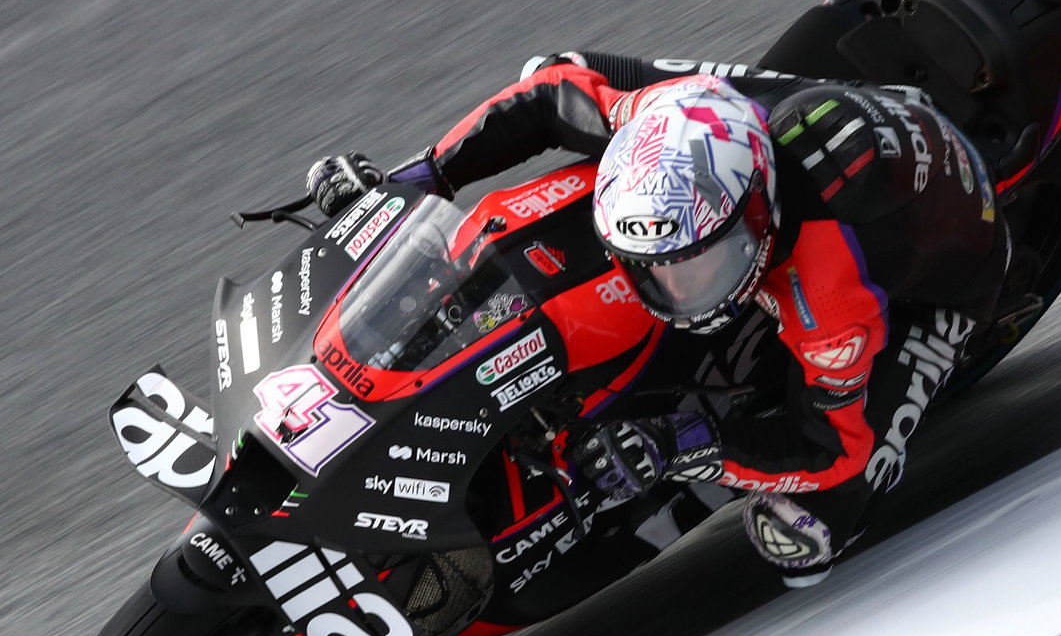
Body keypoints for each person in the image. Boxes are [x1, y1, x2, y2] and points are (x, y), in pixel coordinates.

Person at [307, 52, 1010, 587]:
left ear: (756, 220)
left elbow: (834, 446)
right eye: (649, 268)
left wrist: (682, 441)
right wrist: (420, 179)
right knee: (552, 67)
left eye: (694, 265)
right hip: (784, 112)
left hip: (953, 275)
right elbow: (551, 90)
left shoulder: (829, 301)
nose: (669, 287)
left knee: (801, 534)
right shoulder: (673, 112)